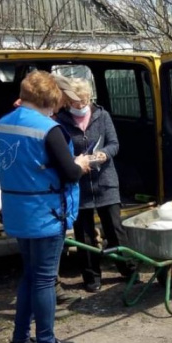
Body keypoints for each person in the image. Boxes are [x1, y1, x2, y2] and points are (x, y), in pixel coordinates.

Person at [0, 71, 90, 343]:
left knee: (30, 276)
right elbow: (70, 173)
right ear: (51, 99)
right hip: (46, 213)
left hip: (18, 212)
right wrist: (81, 162)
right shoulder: (50, 130)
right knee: (45, 280)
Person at [54, 77, 132, 293]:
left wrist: (104, 154)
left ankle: (128, 268)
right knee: (85, 234)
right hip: (79, 184)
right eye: (75, 102)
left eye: (84, 100)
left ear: (90, 97)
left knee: (115, 229)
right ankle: (91, 277)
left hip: (106, 181)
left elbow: (114, 144)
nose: (80, 105)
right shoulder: (61, 120)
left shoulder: (102, 115)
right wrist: (75, 161)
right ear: (68, 101)